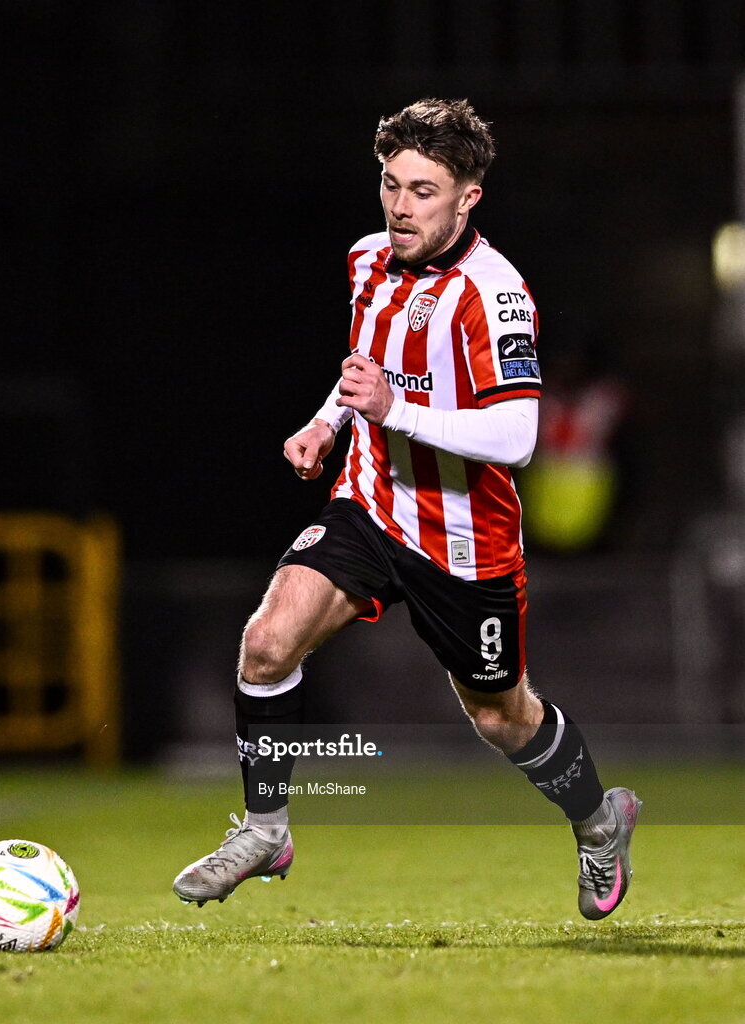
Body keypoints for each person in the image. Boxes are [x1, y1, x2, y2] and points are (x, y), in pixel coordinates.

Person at [173, 99, 641, 920]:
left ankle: (600, 822)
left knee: (502, 716)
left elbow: (517, 434)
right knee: (268, 640)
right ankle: (264, 827)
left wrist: (391, 410)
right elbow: (366, 368)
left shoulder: (494, 295)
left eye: (423, 190)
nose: (400, 206)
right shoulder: (367, 260)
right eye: (391, 184)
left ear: (468, 198)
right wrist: (329, 422)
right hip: (370, 504)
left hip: (465, 541)